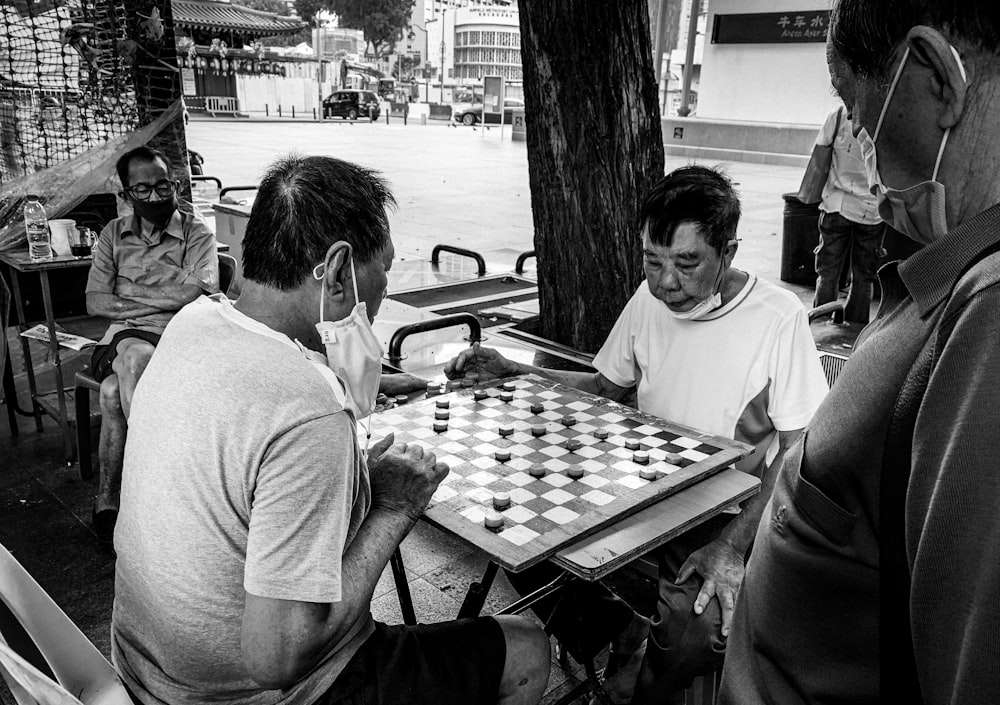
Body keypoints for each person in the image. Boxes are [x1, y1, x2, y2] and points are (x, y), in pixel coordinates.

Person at [110, 154, 550, 705]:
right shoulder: (307, 406)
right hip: (238, 693)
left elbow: (242, 482)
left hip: (140, 665)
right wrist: (393, 507)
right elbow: (278, 659)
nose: (385, 287)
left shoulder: (192, 322)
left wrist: (344, 482)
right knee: (528, 648)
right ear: (338, 270)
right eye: (384, 267)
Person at [445, 165, 828, 704]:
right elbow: (605, 385)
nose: (666, 282)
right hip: (634, 484)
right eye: (652, 260)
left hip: (721, 510)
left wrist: (733, 545)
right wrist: (516, 370)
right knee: (513, 535)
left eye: (687, 263)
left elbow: (797, 452)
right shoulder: (648, 300)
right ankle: (616, 627)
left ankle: (639, 691)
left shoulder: (779, 317)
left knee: (701, 630)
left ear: (730, 252)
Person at [720, 3, 1000, 704]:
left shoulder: (989, 315)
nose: (869, 159)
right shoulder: (948, 267)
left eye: (864, 116)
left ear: (936, 76)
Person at [85, 145, 217, 545]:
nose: (157, 197)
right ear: (127, 194)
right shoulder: (112, 234)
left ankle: (109, 499)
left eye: (164, 186)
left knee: (111, 394)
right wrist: (164, 293)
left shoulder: (197, 233)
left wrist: (127, 291)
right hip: (125, 342)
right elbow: (94, 302)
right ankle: (155, 487)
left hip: (183, 338)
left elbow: (190, 296)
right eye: (143, 190)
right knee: (137, 358)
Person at [810, 102, 886, 323]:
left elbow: (820, 151)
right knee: (863, 277)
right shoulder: (883, 115)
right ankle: (854, 332)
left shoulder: (839, 114)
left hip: (836, 203)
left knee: (828, 273)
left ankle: (819, 327)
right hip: (872, 211)